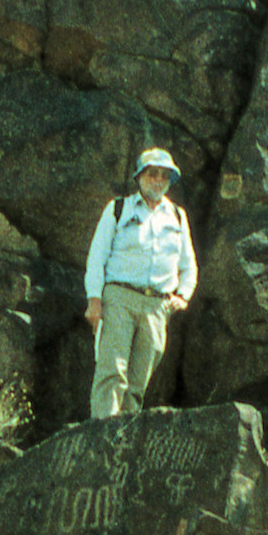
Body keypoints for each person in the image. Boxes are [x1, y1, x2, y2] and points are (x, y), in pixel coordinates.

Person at [82, 148, 197, 419]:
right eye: (152, 174)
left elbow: (189, 265)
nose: (158, 181)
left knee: (137, 383)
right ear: (139, 177)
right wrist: (94, 301)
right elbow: (96, 257)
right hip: (119, 298)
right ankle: (102, 438)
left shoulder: (177, 216)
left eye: (164, 176)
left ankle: (124, 444)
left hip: (157, 306)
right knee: (112, 372)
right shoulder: (118, 208)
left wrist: (183, 296)